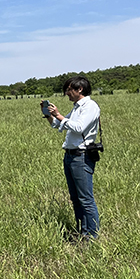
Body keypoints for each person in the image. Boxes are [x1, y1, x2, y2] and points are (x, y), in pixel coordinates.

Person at [44, 76, 101, 239]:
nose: (67, 93)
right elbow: (58, 125)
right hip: (70, 157)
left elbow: (78, 127)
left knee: (85, 199)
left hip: (81, 156)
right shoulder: (77, 107)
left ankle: (92, 236)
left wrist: (59, 115)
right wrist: (49, 115)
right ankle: (81, 232)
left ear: (80, 89)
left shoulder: (90, 106)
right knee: (75, 198)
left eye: (69, 90)